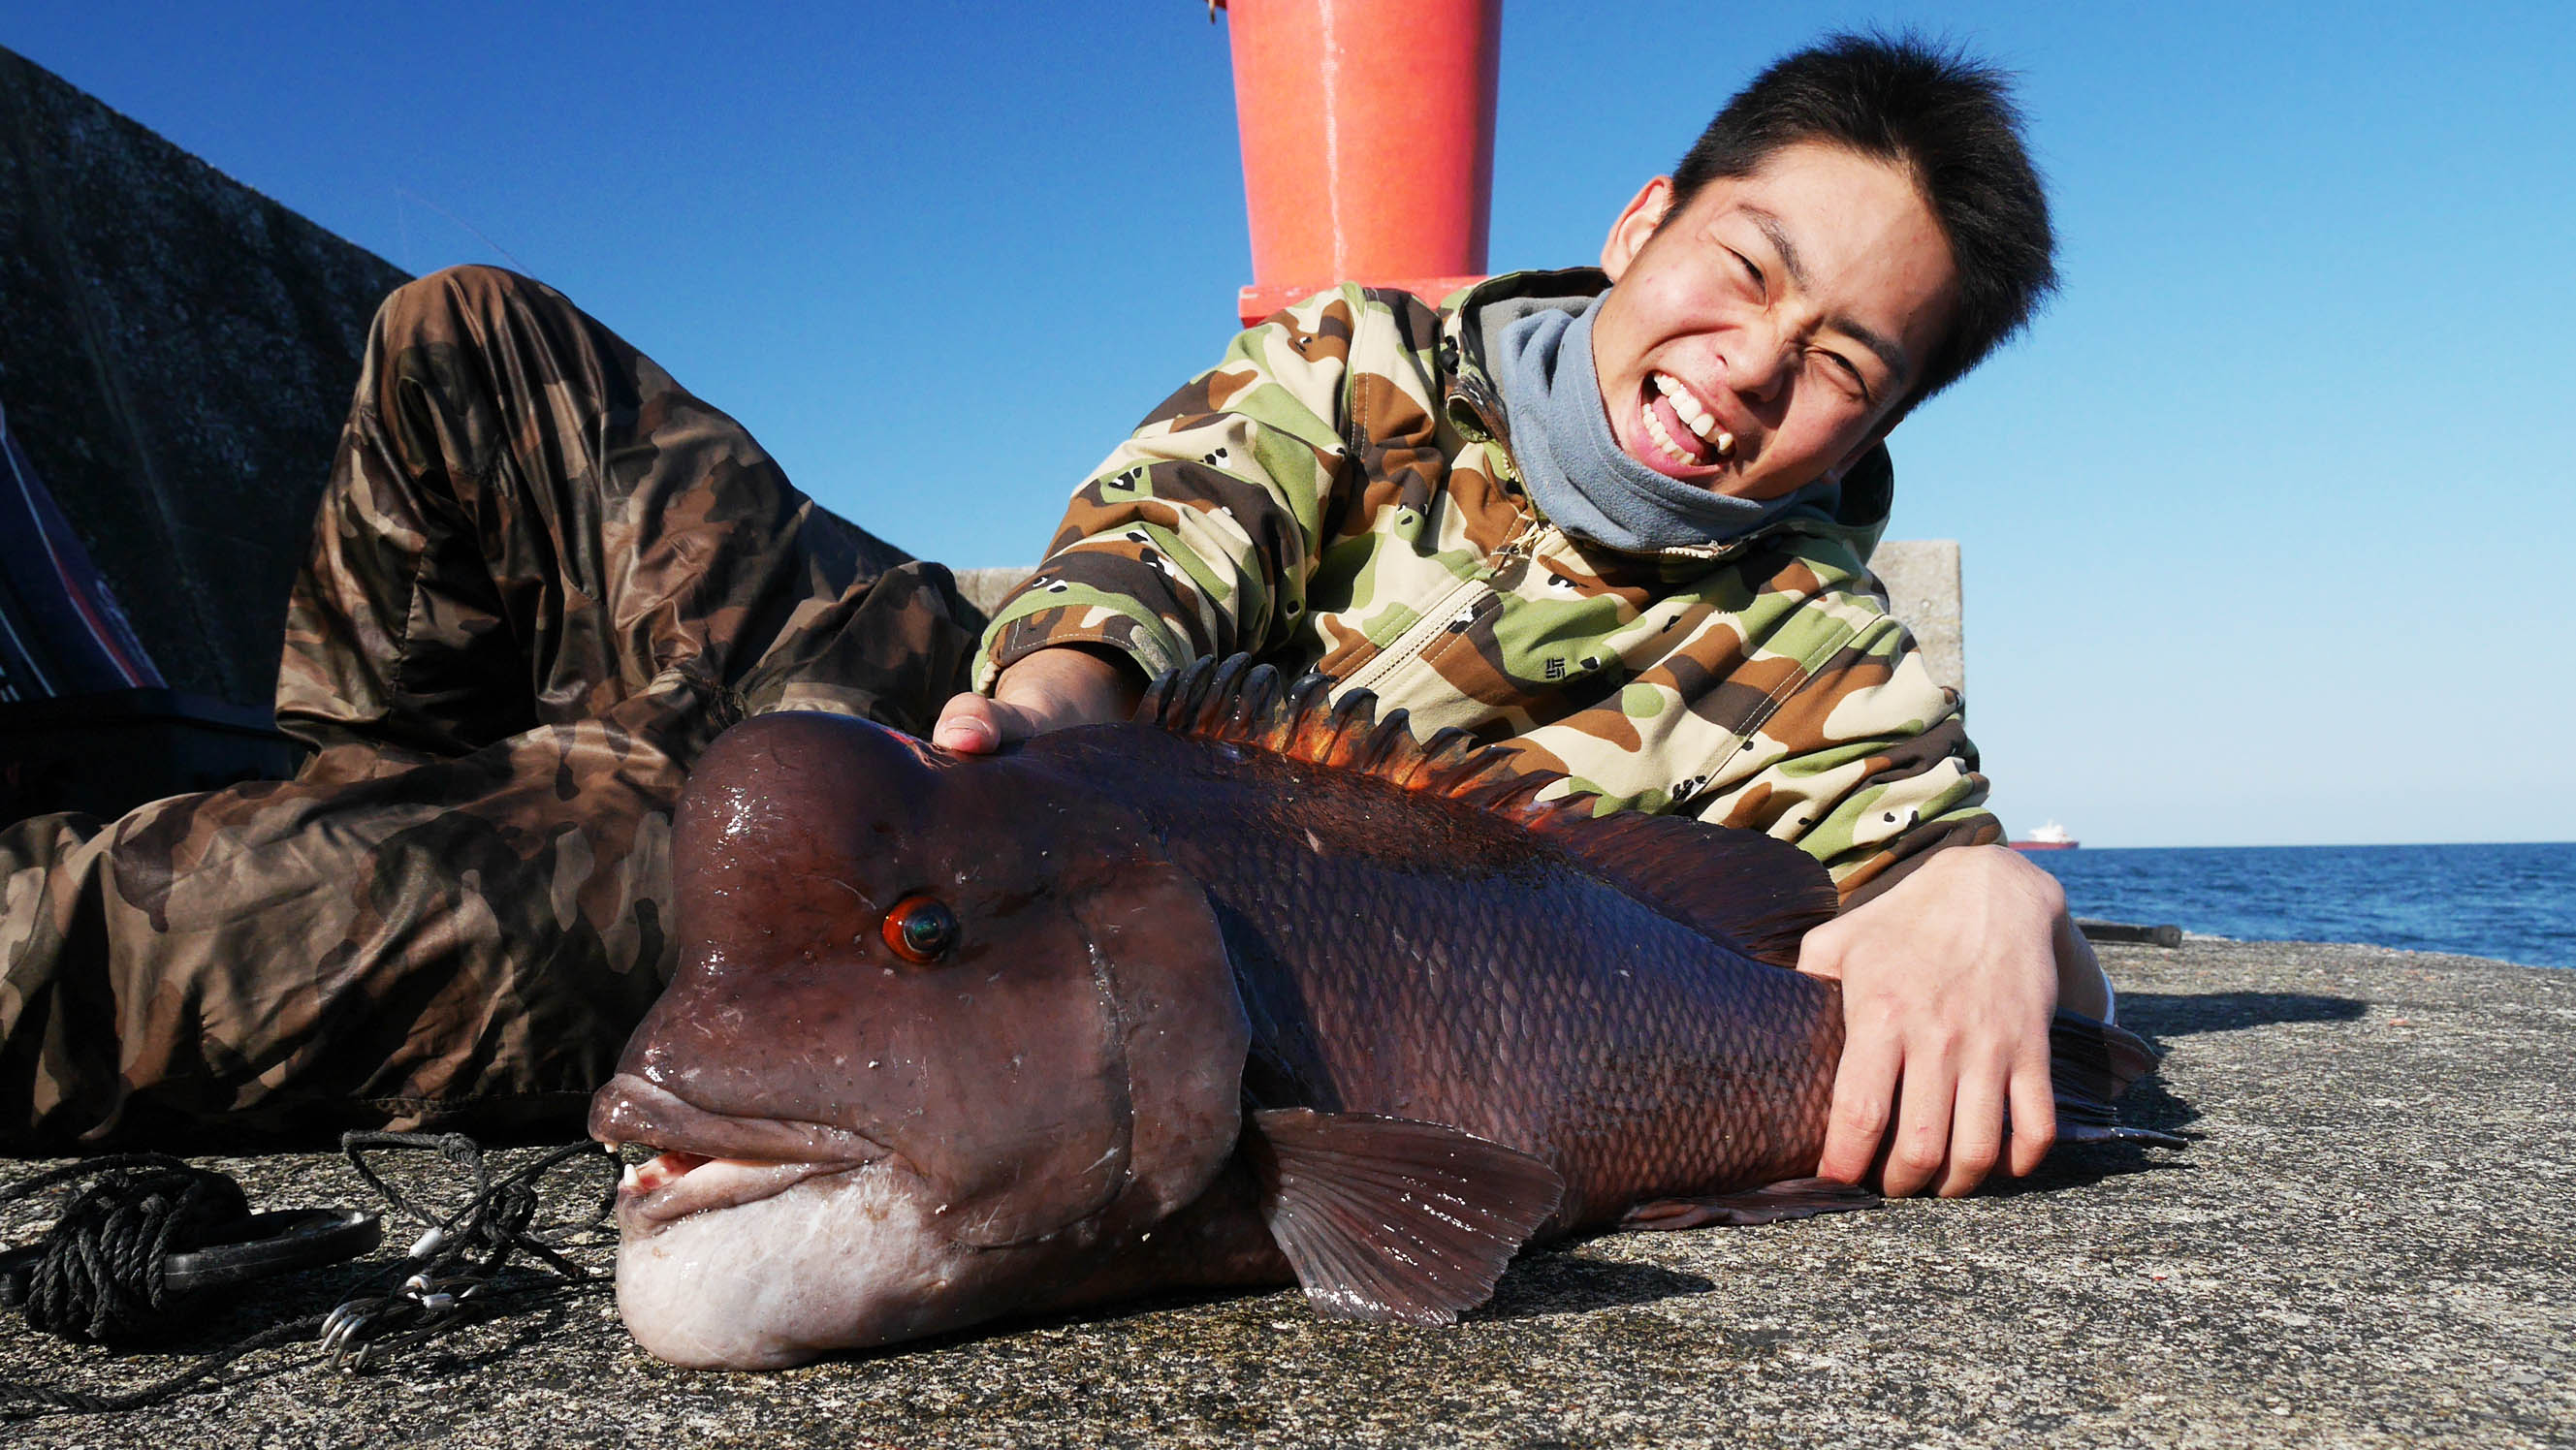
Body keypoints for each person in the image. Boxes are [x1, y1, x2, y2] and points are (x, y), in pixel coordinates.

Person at [0, 32, 2099, 1200]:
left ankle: (386, 902)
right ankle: (368, 800)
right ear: (1645, 220)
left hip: (1016, 943)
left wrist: (1992, 894)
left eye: (1842, 361)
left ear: (1880, 419)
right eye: (1744, 266)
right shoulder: (1381, 349)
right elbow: (1177, 527)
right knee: (480, 342)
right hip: (978, 729)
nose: (1748, 363)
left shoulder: (1823, 659)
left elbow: (1936, 910)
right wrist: (1057, 690)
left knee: (325, 925)